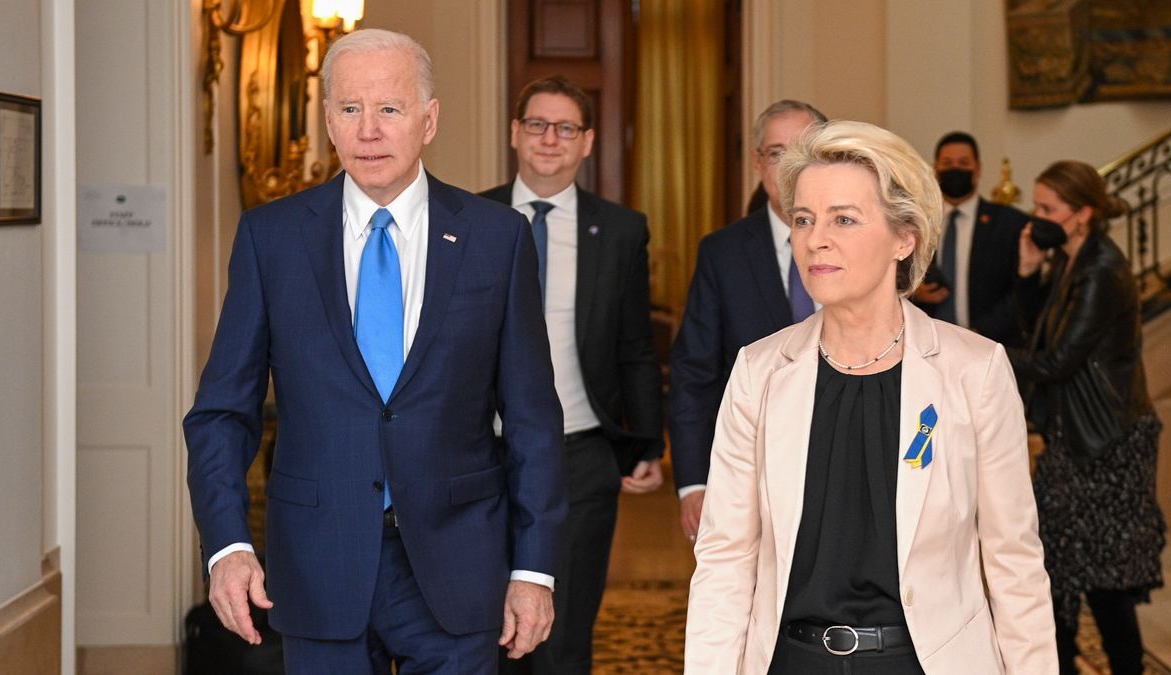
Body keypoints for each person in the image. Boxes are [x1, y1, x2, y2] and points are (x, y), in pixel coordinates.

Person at [183, 29, 567, 673]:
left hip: (459, 567)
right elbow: (222, 412)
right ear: (329, 121)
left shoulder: (497, 239)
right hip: (315, 566)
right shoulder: (270, 239)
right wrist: (226, 545)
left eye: (389, 109)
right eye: (350, 110)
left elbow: (532, 418)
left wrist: (534, 567)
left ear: (428, 119)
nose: (369, 131)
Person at [684, 120, 1057, 674]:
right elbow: (725, 558)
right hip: (789, 661)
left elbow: (1013, 562)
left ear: (904, 237)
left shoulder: (974, 371)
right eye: (804, 219)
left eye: (844, 219)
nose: (816, 239)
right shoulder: (760, 371)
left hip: (927, 662)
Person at [481, 75, 665, 674]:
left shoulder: (619, 231)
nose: (550, 139)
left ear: (587, 142)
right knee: (484, 624)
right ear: (515, 133)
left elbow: (635, 344)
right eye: (537, 124)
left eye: (566, 128)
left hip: (580, 455)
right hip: (480, 454)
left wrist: (646, 443)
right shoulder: (467, 219)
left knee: (564, 628)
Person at [1007, 160, 1165, 675]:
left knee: (1102, 579)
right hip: (1073, 439)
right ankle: (1062, 664)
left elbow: (1055, 362)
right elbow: (1040, 336)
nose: (1038, 219)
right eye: (1037, 206)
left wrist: (983, 352)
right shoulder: (1070, 261)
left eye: (1048, 209)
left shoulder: (1102, 271)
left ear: (1082, 214)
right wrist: (1029, 271)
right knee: (1061, 567)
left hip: (1105, 443)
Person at [668, 100, 826, 543]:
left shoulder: (864, 242)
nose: (792, 165)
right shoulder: (723, 253)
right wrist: (693, 483)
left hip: (847, 463)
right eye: (777, 153)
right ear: (759, 164)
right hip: (748, 475)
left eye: (807, 150)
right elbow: (694, 373)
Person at [912, 131, 1028, 345]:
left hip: (990, 343)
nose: (955, 169)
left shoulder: (1010, 224)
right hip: (925, 343)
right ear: (935, 169)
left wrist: (979, 332)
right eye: (947, 163)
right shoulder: (914, 223)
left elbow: (1022, 291)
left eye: (963, 162)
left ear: (978, 168)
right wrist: (914, 293)